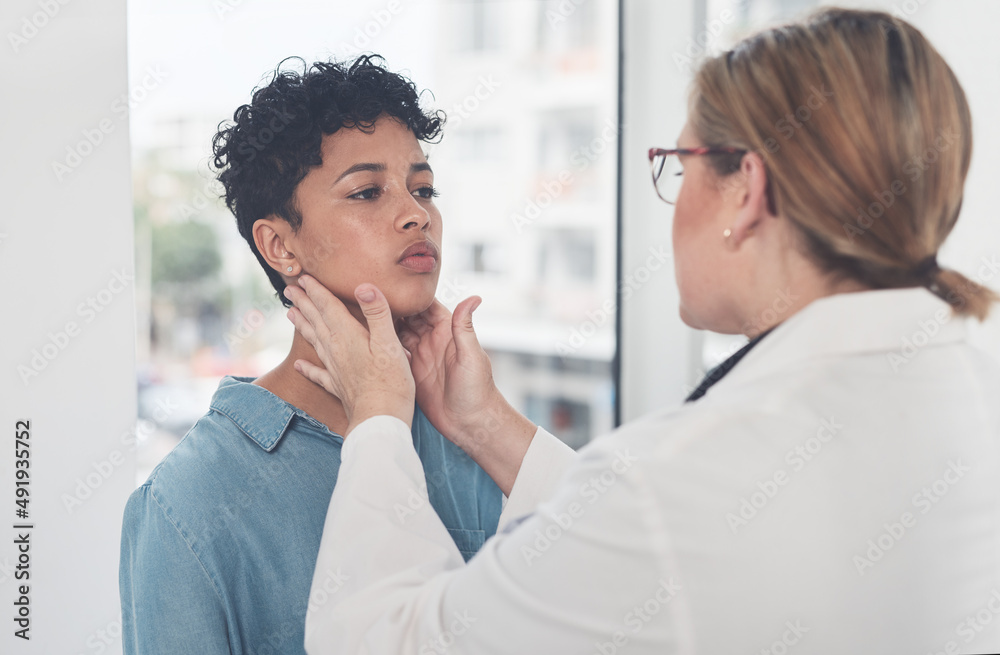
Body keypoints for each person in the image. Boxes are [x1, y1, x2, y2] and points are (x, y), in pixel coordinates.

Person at [288, 9, 1000, 654]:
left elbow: (381, 638)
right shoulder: (969, 391)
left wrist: (378, 417)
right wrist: (487, 426)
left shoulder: (683, 480)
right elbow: (667, 550)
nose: (415, 214)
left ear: (746, 190)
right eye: (367, 191)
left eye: (677, 165)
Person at [118, 56, 567, 655]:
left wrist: (484, 423)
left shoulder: (464, 440)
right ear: (279, 245)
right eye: (367, 191)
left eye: (424, 187)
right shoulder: (187, 504)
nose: (417, 214)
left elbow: (620, 583)